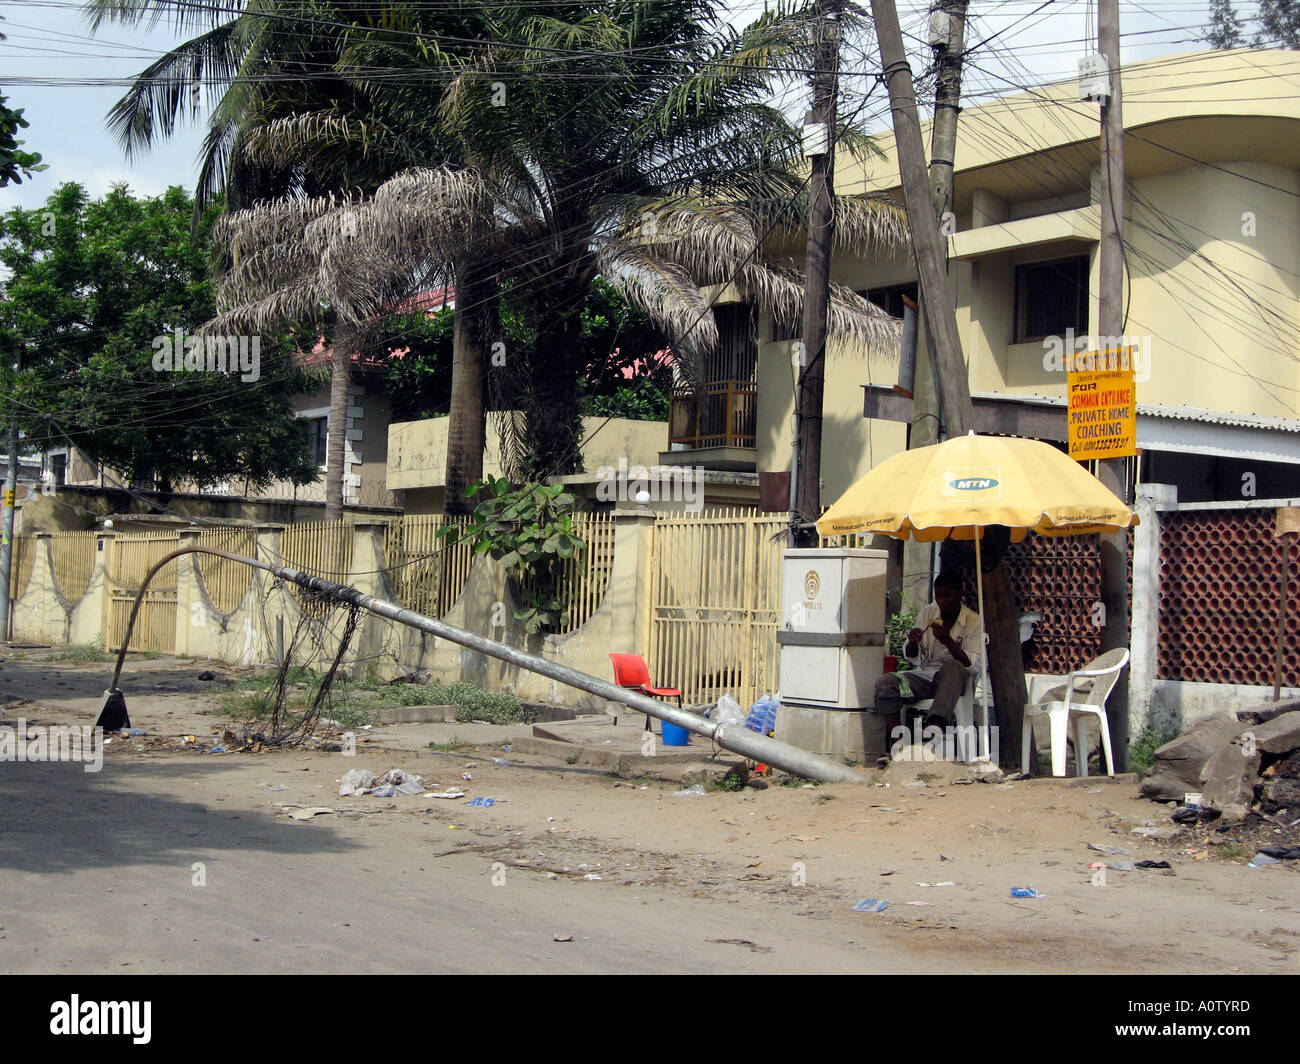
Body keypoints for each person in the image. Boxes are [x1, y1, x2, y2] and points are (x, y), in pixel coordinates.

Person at [874, 570, 984, 761]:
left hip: (956, 681)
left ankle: (934, 734)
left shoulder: (974, 622)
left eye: (947, 596)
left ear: (959, 594)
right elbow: (911, 657)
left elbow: (971, 665)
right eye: (938, 596)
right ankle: (899, 747)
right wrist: (913, 642)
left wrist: (947, 640)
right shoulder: (928, 613)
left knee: (953, 666)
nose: (942, 601)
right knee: (886, 683)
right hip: (927, 676)